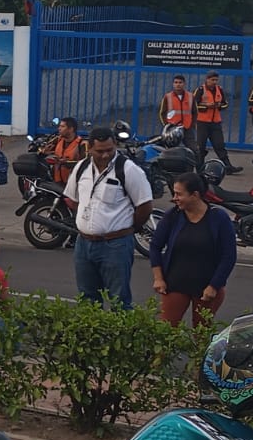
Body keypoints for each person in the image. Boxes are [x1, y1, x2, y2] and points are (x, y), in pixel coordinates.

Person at [66, 123, 154, 309]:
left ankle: (121, 338)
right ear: (89, 149)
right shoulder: (81, 168)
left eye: (109, 150)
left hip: (115, 245)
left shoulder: (129, 170)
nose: (105, 155)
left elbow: (145, 206)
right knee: (87, 298)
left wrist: (129, 229)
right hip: (83, 244)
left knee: (119, 300)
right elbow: (72, 200)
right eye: (100, 151)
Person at [149, 172, 237, 326]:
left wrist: (214, 286)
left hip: (207, 289)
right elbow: (155, 246)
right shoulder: (172, 216)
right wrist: (158, 278)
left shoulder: (219, 218)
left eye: (178, 194)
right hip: (175, 284)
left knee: (201, 334)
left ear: (195, 195)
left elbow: (229, 256)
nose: (174, 198)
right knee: (165, 330)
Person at [192, 71, 240, 173]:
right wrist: (206, 106)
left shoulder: (220, 90)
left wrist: (219, 106)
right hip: (202, 122)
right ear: (207, 79)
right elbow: (194, 105)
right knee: (201, 146)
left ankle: (228, 167)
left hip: (215, 122)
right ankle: (200, 168)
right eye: (212, 80)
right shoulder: (200, 90)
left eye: (216, 80)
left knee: (219, 145)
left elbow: (225, 104)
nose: (214, 82)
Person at [47, 116, 83, 184]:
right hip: (57, 180)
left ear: (71, 129)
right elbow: (46, 147)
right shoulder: (58, 139)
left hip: (72, 183)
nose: (59, 129)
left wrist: (66, 162)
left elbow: (85, 163)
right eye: (59, 126)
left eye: (62, 126)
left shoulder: (81, 144)